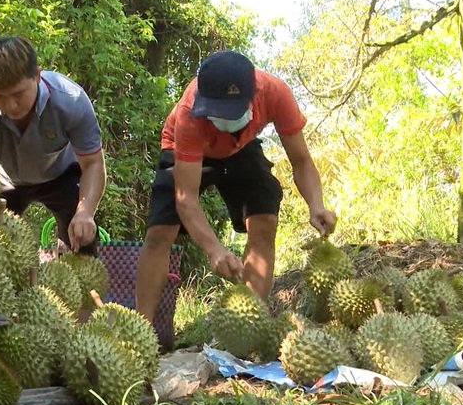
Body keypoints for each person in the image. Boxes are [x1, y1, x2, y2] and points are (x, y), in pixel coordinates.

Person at [134, 50, 336, 322]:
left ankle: (250, 321)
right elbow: (186, 199)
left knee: (264, 217)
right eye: (215, 111)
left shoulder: (275, 93)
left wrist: (316, 205)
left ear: (253, 98)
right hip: (185, 150)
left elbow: (301, 161)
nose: (221, 118)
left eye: (229, 111)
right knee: (160, 231)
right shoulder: (190, 114)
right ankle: (142, 328)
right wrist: (214, 249)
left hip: (242, 145)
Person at [0, 35, 106, 253]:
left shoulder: (70, 99)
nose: (11, 105)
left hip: (62, 175)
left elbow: (93, 164)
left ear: (36, 75)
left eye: (18, 94)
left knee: (82, 243)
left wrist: (85, 211)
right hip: (4, 179)